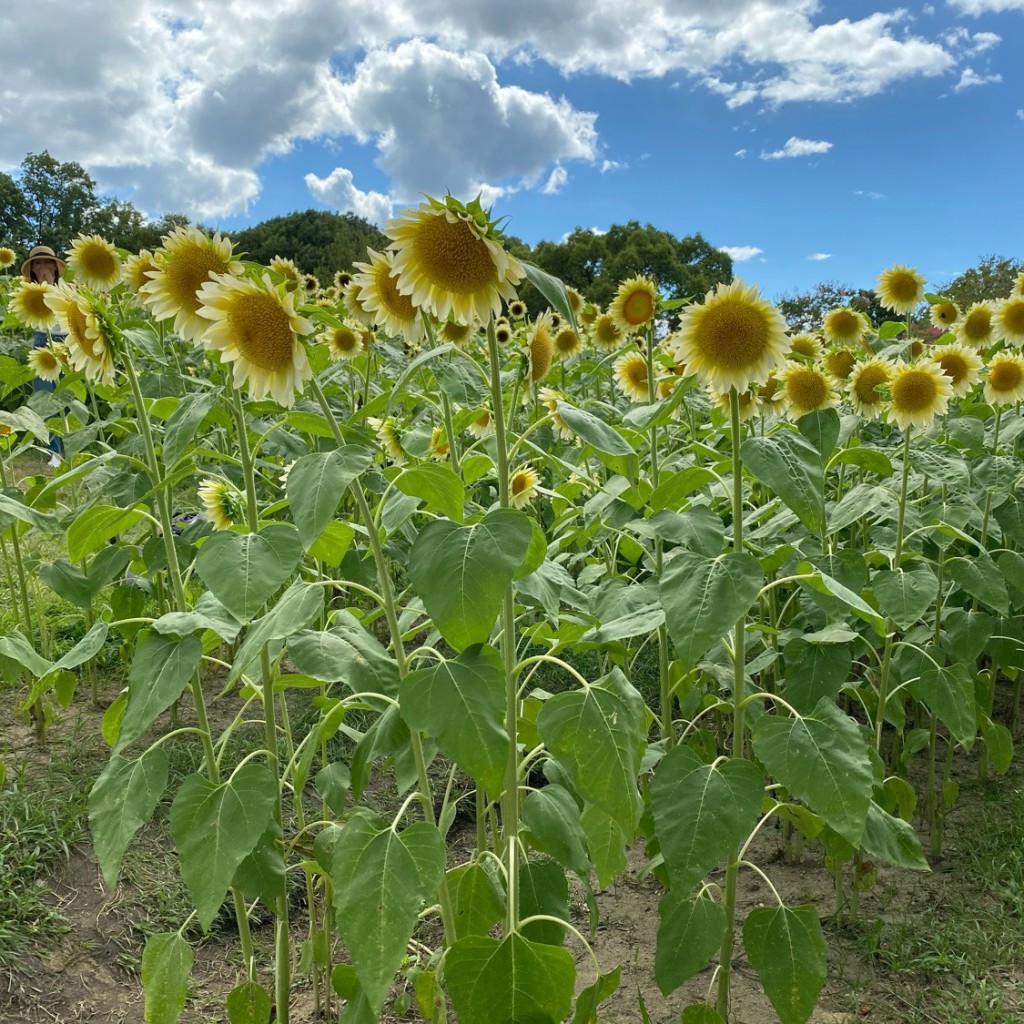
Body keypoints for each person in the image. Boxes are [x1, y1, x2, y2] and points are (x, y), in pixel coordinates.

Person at [21, 245, 67, 465]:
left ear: (55, 266)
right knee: (46, 398)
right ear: (31, 269)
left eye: (47, 262)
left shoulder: (68, 288)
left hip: (67, 341)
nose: (42, 267)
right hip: (42, 341)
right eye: (37, 263)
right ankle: (54, 451)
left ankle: (71, 445)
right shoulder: (28, 293)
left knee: (68, 398)